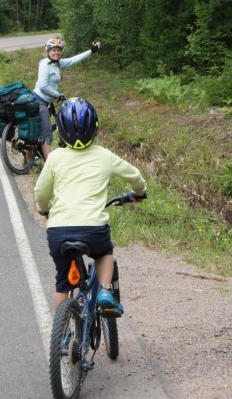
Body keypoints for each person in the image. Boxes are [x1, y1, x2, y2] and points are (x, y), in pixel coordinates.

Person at [34, 97, 147, 314]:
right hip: (93, 229)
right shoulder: (104, 156)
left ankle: (62, 337)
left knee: (63, 283)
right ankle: (105, 290)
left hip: (58, 231)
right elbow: (134, 175)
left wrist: (44, 209)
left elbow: (40, 192)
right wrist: (139, 192)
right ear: (94, 127)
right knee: (104, 252)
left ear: (63, 131)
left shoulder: (55, 157)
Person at [33, 38, 100, 160]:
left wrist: (90, 51)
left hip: (47, 101)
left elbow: (73, 60)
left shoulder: (58, 63)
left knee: (57, 123)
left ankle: (33, 156)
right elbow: (42, 86)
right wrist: (57, 94)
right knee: (47, 132)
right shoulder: (44, 64)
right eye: (53, 50)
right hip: (39, 101)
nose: (56, 53)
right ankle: (50, 165)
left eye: (58, 50)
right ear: (48, 51)